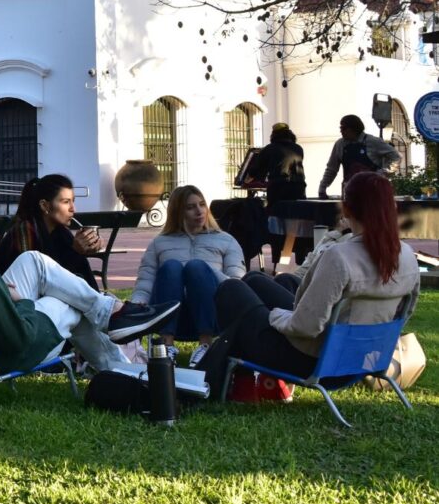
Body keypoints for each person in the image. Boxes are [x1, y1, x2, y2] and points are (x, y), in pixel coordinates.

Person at [0, 175, 179, 376]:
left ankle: (112, 314)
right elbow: (15, 337)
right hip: (0, 357)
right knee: (71, 303)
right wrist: (21, 301)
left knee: (33, 261)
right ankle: (123, 368)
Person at [214, 171, 420, 386]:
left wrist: (273, 316)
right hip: (363, 361)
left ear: (346, 208)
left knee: (231, 290)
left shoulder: (340, 257)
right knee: (255, 280)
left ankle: (224, 377)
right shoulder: (406, 255)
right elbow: (404, 315)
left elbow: (306, 327)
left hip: (316, 364)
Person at [129, 184, 246, 367]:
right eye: (190, 207)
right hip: (172, 314)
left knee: (196, 268)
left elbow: (237, 284)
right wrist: (135, 305)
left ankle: (206, 345)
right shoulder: (159, 243)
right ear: (178, 212)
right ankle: (166, 346)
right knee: (171, 267)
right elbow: (146, 280)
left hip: (213, 313)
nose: (199, 211)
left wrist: (208, 272)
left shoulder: (226, 240)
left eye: (201, 204)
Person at [0, 174, 102, 290]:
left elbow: (71, 272)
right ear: (45, 206)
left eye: (73, 201)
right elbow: (39, 280)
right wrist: (75, 252)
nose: (73, 209)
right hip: (12, 299)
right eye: (65, 202)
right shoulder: (25, 231)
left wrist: (84, 250)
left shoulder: (61, 231)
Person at [318, 114, 400, 198]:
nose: (341, 131)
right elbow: (332, 169)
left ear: (354, 129)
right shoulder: (340, 144)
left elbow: (396, 157)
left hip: (372, 192)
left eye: (343, 128)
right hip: (350, 192)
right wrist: (322, 188)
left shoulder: (373, 142)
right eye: (340, 128)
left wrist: (382, 173)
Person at [245, 122, 306, 208]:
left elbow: (256, 170)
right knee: (296, 215)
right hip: (299, 188)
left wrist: (246, 180)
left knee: (276, 216)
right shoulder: (298, 148)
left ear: (273, 135)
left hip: (278, 188)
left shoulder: (269, 149)